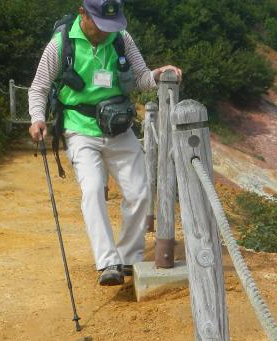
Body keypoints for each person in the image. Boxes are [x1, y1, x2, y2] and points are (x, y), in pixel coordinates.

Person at [29, 0, 182, 286]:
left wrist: (158, 75)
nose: (104, 31)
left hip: (119, 128)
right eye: (99, 24)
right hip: (80, 130)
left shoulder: (121, 38)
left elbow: (140, 78)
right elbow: (39, 86)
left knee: (139, 192)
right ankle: (107, 262)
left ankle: (128, 258)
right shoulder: (61, 43)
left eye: (109, 25)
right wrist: (38, 118)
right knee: (92, 190)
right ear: (82, 13)